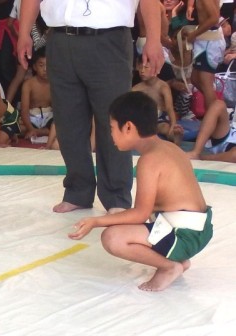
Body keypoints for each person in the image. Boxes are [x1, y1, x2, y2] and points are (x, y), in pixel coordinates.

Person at [17, 0, 164, 214]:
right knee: (68, 121)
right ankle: (78, 191)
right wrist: (23, 33)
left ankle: (116, 196)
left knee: (114, 120)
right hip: (59, 38)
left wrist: (153, 39)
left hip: (109, 38)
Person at [69, 91, 212, 292]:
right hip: (198, 230)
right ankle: (177, 259)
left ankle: (170, 266)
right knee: (122, 217)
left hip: (185, 235)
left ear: (128, 127)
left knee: (112, 238)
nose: (110, 135)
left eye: (112, 128)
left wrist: (96, 222)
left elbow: (140, 214)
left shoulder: (149, 160)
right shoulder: (170, 148)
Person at [184, 0, 225, 112]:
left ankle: (214, 119)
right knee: (195, 79)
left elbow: (214, 18)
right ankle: (217, 109)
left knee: (205, 83)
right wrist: (190, 6)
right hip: (204, 39)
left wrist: (193, 35)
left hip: (209, 41)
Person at [132, 57, 184, 145]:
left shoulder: (163, 86)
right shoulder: (136, 89)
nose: (142, 71)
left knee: (165, 128)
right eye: (140, 68)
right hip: (144, 119)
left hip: (160, 119)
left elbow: (169, 108)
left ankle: (175, 135)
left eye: (146, 68)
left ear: (156, 69)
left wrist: (173, 124)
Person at [20, 46, 52, 139]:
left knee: (62, 126)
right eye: (41, 65)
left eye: (48, 65)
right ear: (34, 67)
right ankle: (39, 131)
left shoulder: (55, 83)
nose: (45, 69)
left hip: (49, 117)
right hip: (32, 118)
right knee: (19, 128)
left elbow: (59, 108)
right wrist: (30, 129)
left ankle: (40, 131)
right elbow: (24, 110)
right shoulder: (28, 84)